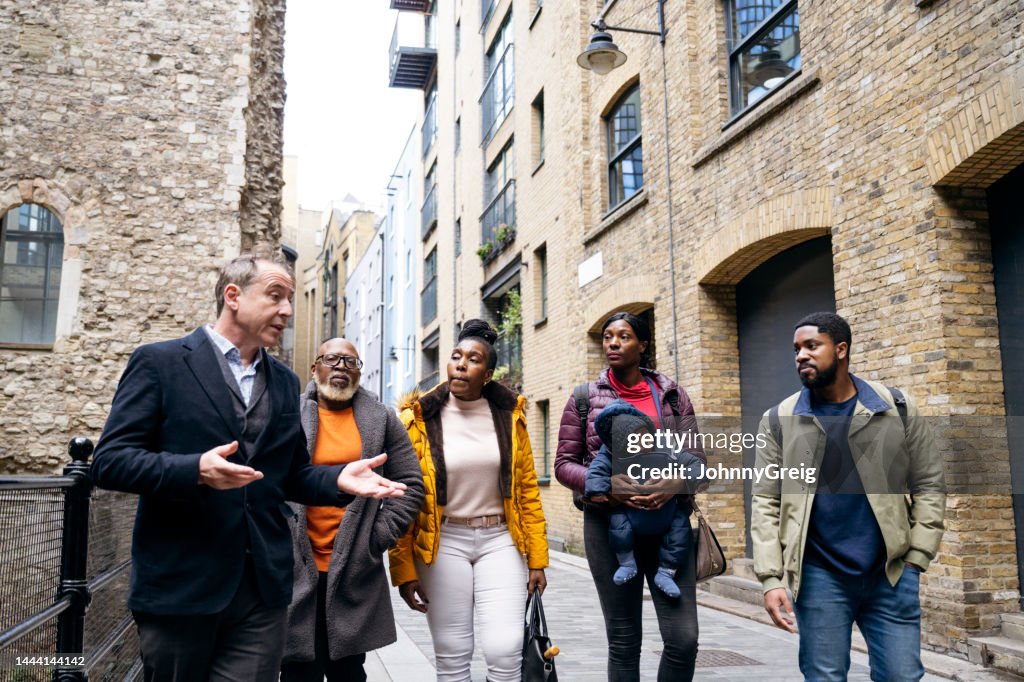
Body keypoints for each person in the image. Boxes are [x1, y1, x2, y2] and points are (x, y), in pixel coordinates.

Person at [91, 246, 407, 682]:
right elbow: (109, 461)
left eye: (291, 299)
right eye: (276, 296)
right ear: (233, 296)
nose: (288, 310)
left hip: (263, 592)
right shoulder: (160, 363)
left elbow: (291, 475)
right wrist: (194, 469)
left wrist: (340, 478)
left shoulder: (284, 381)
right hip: (181, 585)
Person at [752, 311, 946, 681]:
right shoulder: (778, 419)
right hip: (818, 575)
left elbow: (929, 481)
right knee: (824, 677)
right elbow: (766, 501)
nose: (801, 356)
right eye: (796, 349)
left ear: (841, 349)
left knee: (902, 676)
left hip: (890, 573)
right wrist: (772, 578)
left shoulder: (896, 409)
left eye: (812, 346)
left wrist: (917, 556)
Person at [390, 319, 549, 682]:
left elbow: (527, 491)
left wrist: (538, 560)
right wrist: (403, 569)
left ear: (488, 373)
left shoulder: (511, 417)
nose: (461, 364)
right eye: (456, 356)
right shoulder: (418, 420)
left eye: (473, 359)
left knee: (505, 650)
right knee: (452, 654)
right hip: (442, 543)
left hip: (500, 540)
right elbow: (402, 497)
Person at [555, 311, 705, 681]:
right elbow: (563, 464)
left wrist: (672, 484)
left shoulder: (671, 396)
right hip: (609, 528)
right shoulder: (583, 399)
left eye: (623, 336)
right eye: (608, 336)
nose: (613, 343)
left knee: (683, 640)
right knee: (623, 642)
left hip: (670, 526)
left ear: (643, 345)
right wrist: (610, 487)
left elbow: (698, 462)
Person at [280, 338, 425, 682]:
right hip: (294, 564)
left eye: (351, 363)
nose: (342, 368)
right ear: (315, 368)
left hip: (353, 565)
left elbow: (410, 483)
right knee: (298, 668)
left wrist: (376, 537)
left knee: (348, 669)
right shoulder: (288, 414)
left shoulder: (381, 418)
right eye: (333, 360)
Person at [585, 399, 703, 598]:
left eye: (645, 437)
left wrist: (681, 480)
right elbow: (594, 474)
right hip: (628, 512)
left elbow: (698, 467)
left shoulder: (666, 445)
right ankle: (627, 563)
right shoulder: (609, 454)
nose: (643, 444)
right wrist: (601, 489)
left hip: (668, 512)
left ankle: (666, 572)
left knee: (680, 530)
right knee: (618, 527)